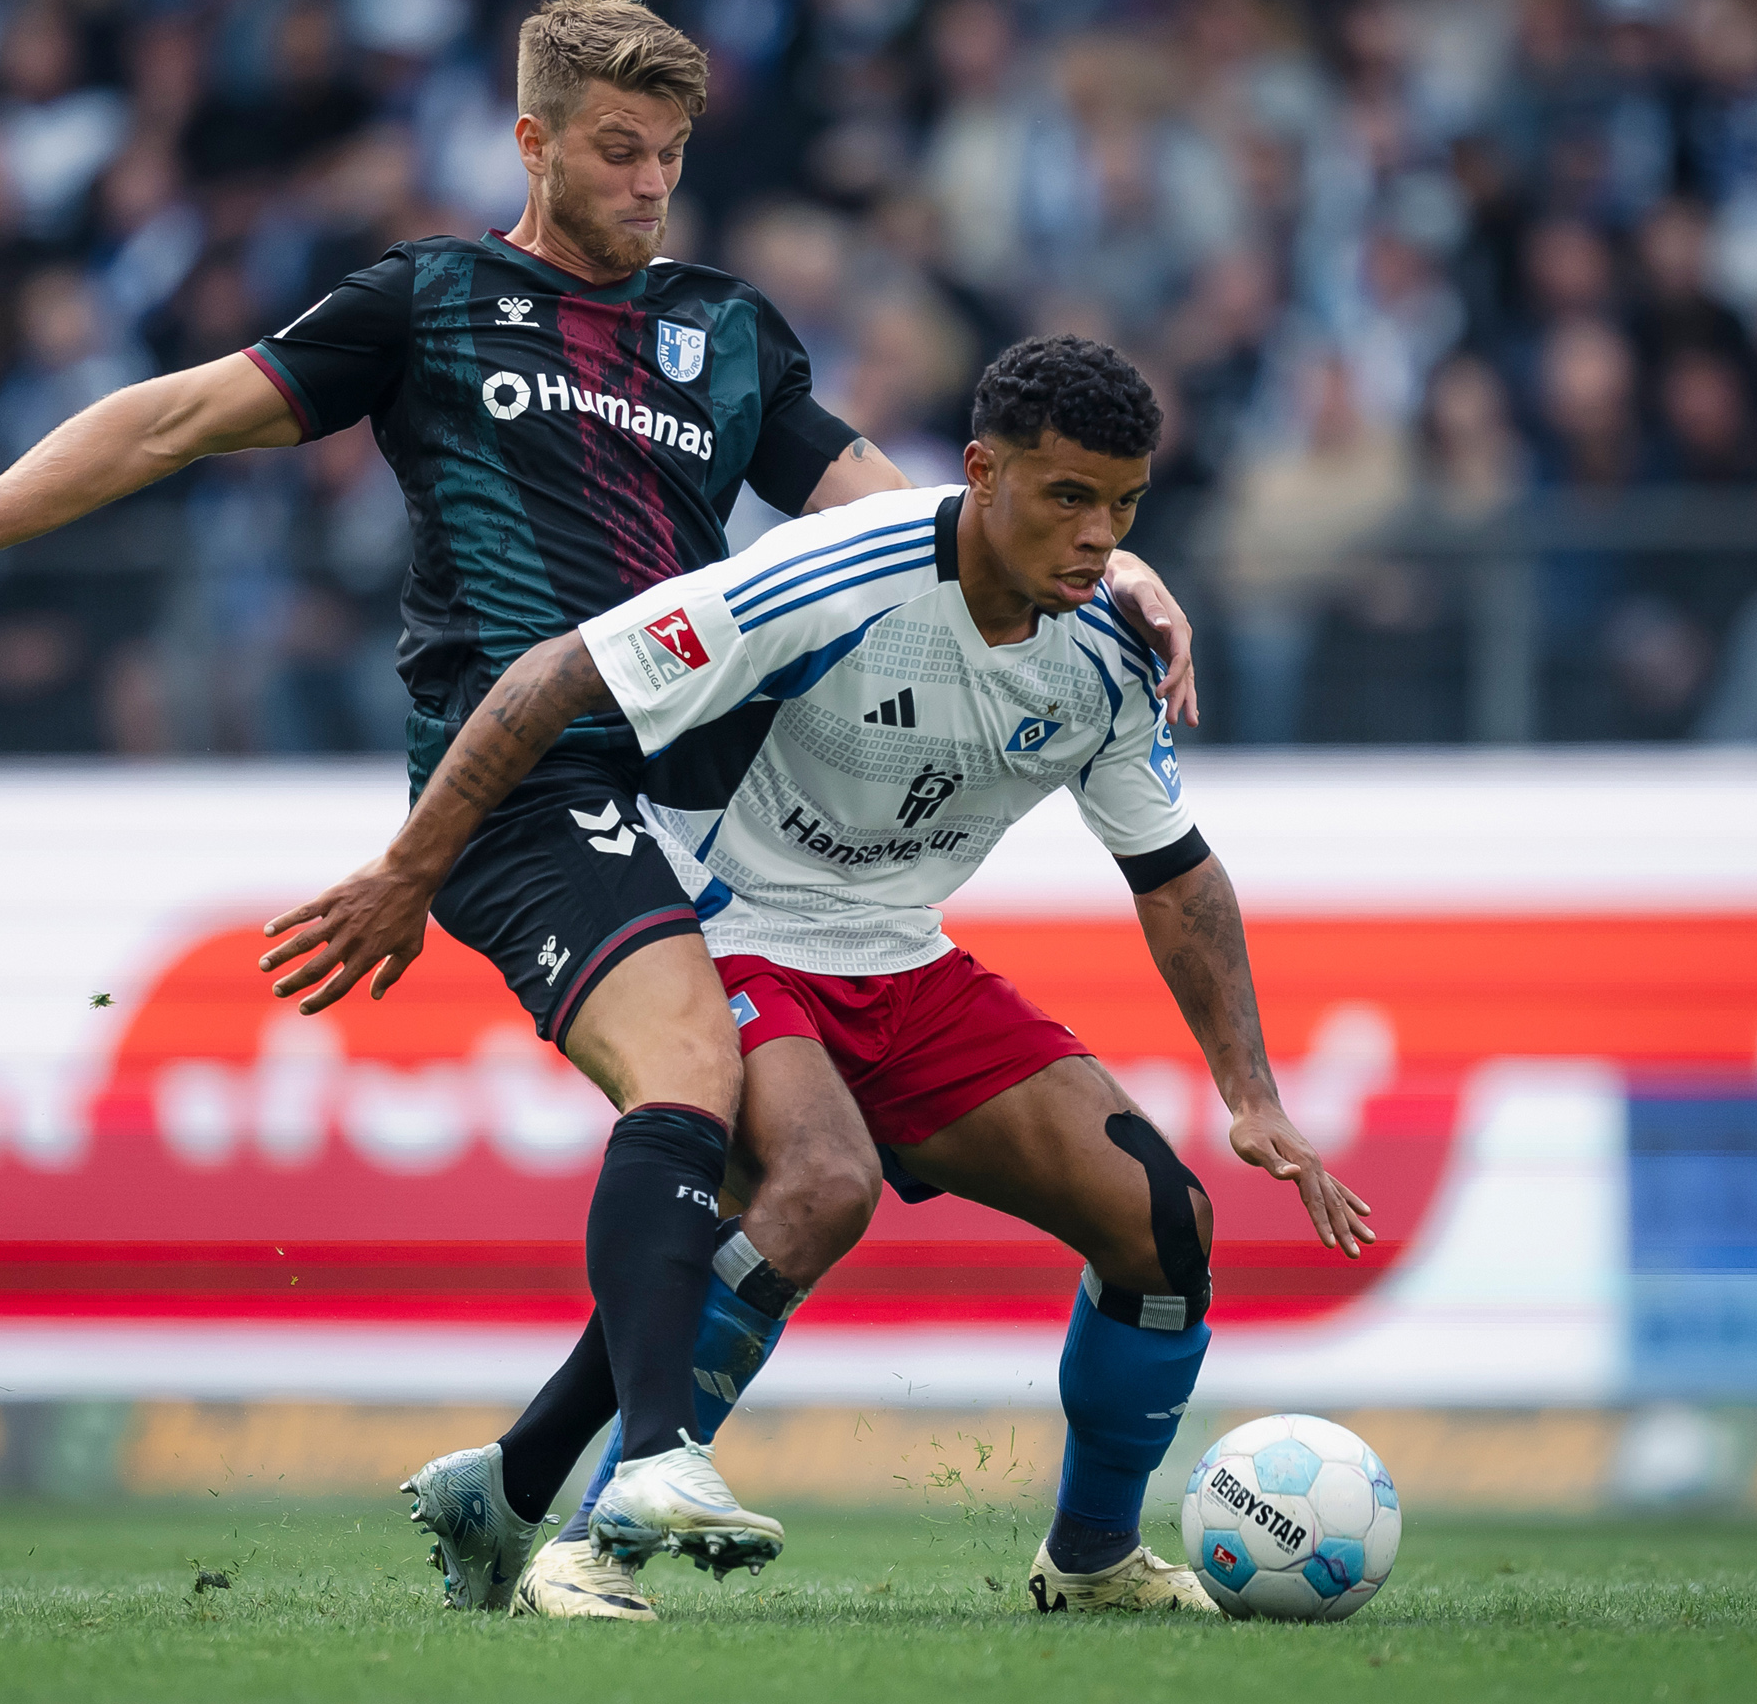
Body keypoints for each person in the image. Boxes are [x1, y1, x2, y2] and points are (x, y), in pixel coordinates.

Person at [0, 0, 1201, 1601]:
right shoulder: (431, 302)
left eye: (670, 155)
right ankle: (656, 1463)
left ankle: (514, 1485)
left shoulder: (727, 336)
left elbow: (898, 511)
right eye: (616, 151)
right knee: (696, 1074)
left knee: (798, 1177)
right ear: (531, 140)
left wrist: (1117, 571)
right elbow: (179, 415)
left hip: (698, 804)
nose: (648, 184)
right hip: (517, 780)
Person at [267, 335, 1370, 1620]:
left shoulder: (1112, 654)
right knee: (819, 1184)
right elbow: (560, 670)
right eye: (1068, 497)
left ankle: (1091, 1561)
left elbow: (1176, 876)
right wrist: (409, 870)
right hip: (720, 919)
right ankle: (591, 1548)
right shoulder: (832, 574)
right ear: (983, 473)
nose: (1097, 537)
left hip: (898, 952)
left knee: (1163, 1225)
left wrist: (1251, 1095)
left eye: (1123, 508)